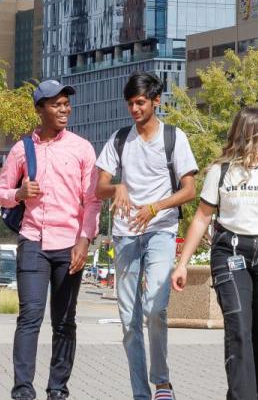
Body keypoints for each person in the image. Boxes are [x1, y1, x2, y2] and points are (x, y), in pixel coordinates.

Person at [170, 107, 258, 400]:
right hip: (230, 253)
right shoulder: (221, 171)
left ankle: (254, 393)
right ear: (251, 132)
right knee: (238, 326)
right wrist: (182, 263)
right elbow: (201, 218)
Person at [0, 80, 102, 400]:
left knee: (65, 320)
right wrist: (18, 193)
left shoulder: (82, 148)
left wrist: (85, 239)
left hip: (70, 244)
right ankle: (23, 390)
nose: (64, 109)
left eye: (66, 103)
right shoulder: (22, 149)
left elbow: (92, 199)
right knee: (29, 317)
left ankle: (57, 389)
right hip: (33, 242)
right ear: (40, 109)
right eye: (56, 104)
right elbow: (0, 193)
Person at [95, 73, 199, 400]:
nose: (134, 109)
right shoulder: (119, 139)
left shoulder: (174, 137)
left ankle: (162, 382)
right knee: (129, 319)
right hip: (125, 235)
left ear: (156, 100)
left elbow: (190, 190)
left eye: (140, 102)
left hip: (161, 231)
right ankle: (141, 393)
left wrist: (155, 207)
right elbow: (99, 189)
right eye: (130, 103)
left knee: (156, 307)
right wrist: (118, 186)